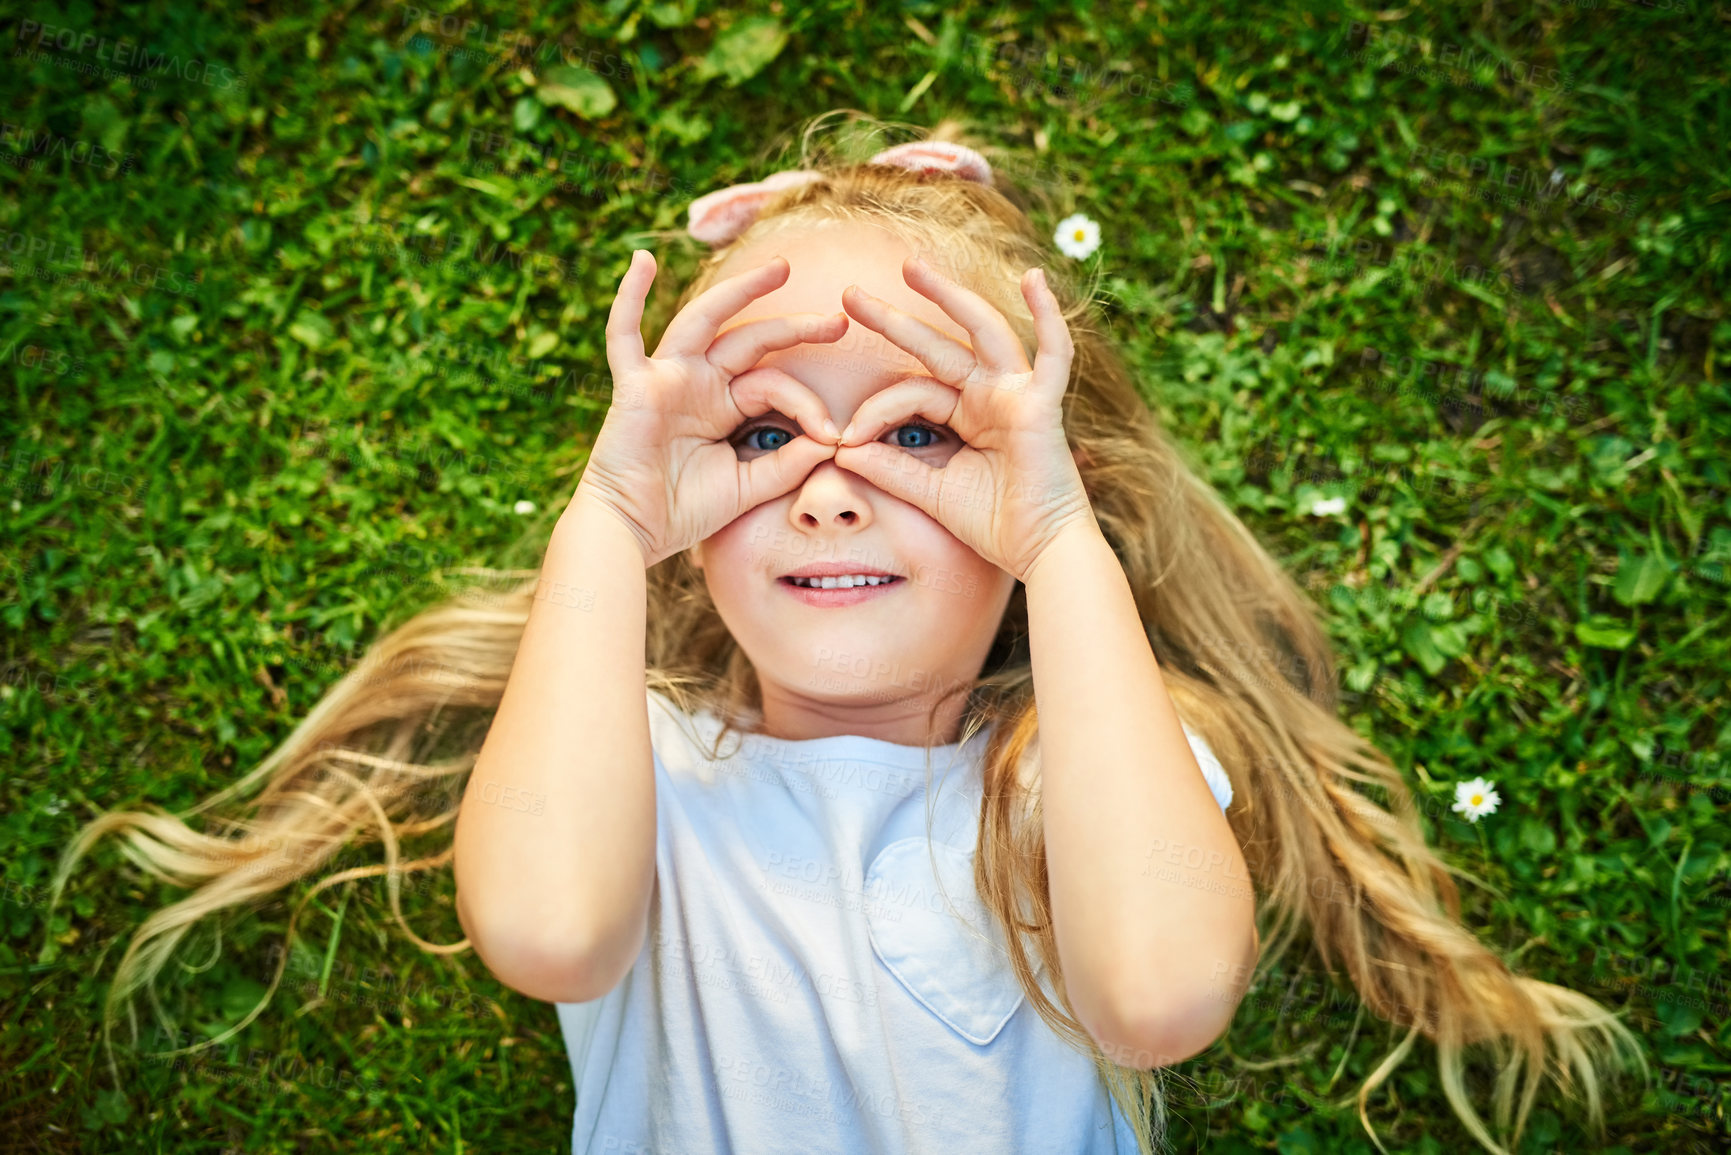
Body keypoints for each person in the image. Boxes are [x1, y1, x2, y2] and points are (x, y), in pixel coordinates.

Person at [51, 112, 1638, 1155]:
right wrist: (604, 514)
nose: (831, 490)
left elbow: (1160, 995)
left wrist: (1058, 538)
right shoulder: (644, 771)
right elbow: (542, 932)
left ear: (1042, 494)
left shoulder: (1075, 771)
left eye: (922, 436)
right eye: (758, 440)